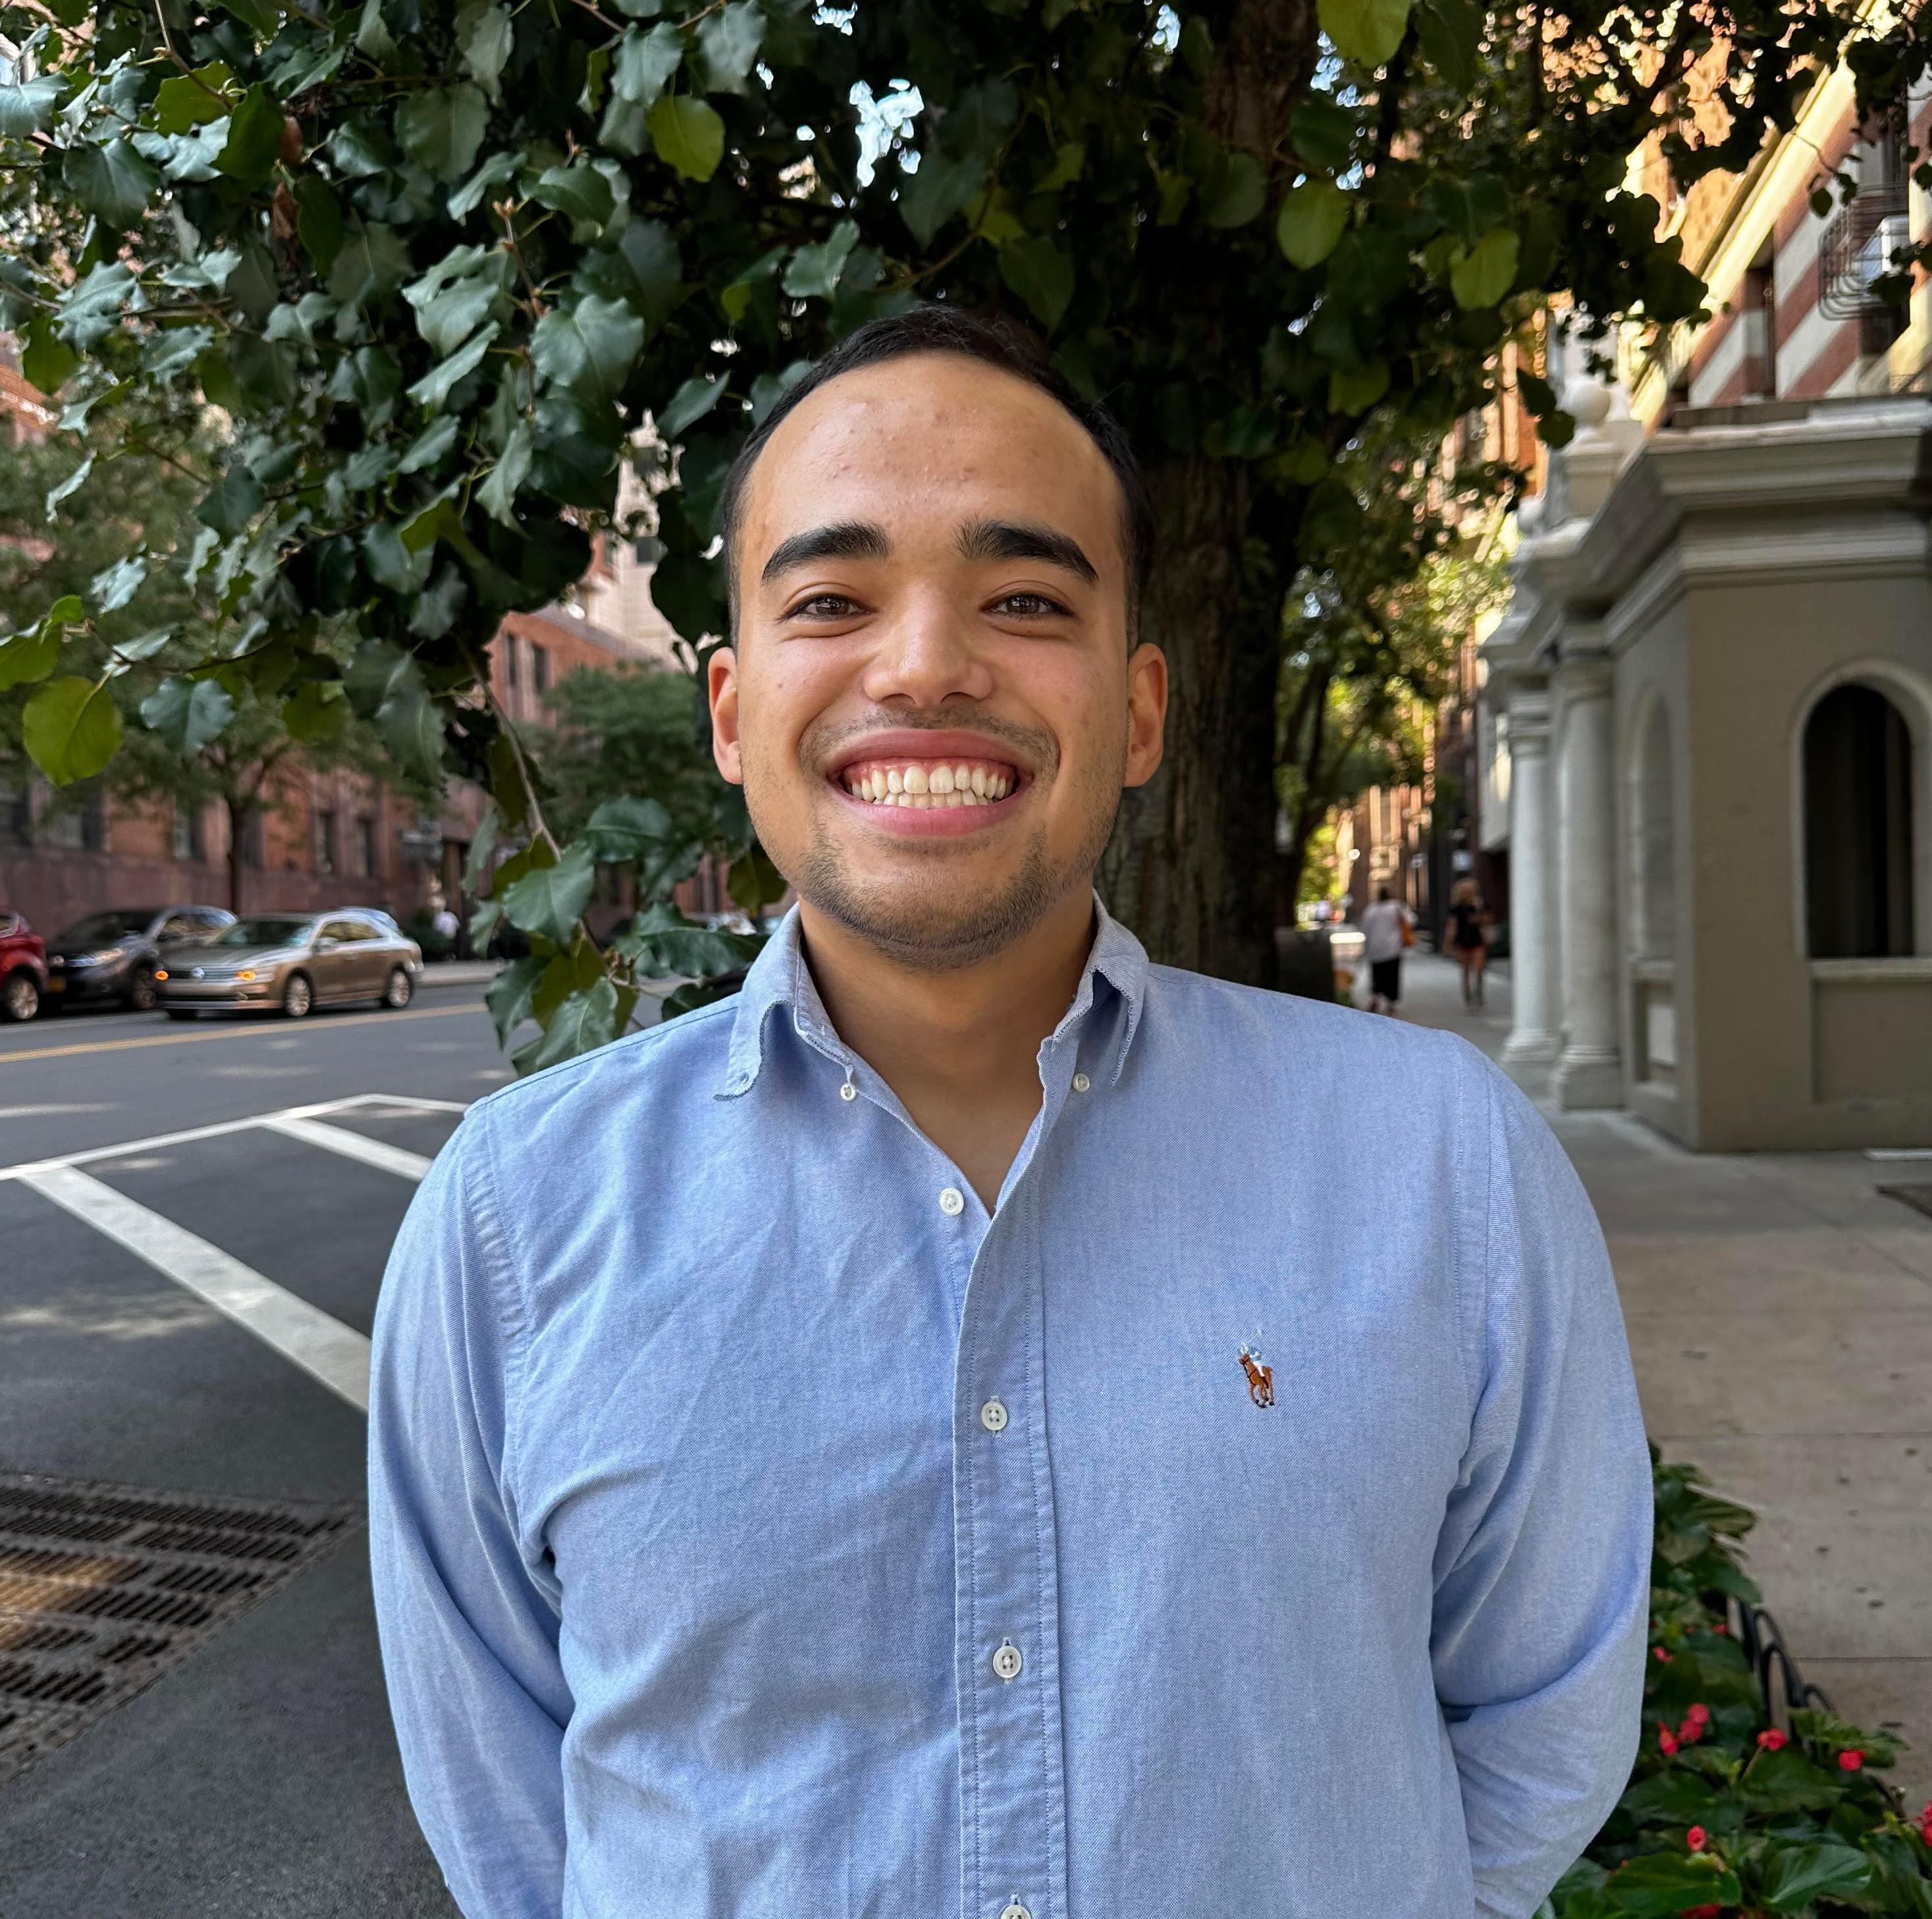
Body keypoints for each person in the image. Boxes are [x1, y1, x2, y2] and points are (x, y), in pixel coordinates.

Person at [369, 306, 1651, 1919]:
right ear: (729, 711)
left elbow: (1547, 1712)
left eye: (1026, 598)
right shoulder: (511, 1219)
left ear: (1142, 709)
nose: (923, 664)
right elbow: (509, 1815)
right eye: (831, 599)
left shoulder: (1440, 1161)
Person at [1358, 881, 1415, 1013]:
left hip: (1375, 949)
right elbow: (1411, 921)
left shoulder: (1371, 909)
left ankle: (1375, 999)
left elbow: (1364, 928)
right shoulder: (1397, 907)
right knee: (1392, 975)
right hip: (1393, 948)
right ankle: (1391, 1003)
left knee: (1377, 975)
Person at [1449, 877, 1492, 1008]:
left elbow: (1489, 920)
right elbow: (1452, 925)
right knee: (1465, 969)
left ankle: (1478, 991)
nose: (1466, 894)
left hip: (1478, 939)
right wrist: (1448, 942)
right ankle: (1467, 994)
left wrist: (1478, 916)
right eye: (1464, 891)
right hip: (1462, 940)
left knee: (1479, 968)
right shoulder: (1457, 907)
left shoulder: (1480, 904)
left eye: (1469, 891)